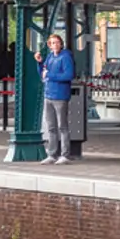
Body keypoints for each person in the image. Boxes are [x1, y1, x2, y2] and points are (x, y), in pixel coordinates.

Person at [36, 33, 75, 165]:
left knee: (62, 126)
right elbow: (43, 73)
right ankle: (52, 154)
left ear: (61, 44)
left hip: (60, 95)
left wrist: (51, 75)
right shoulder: (50, 57)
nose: (55, 45)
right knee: (51, 126)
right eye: (52, 43)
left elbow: (69, 75)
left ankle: (65, 154)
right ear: (49, 45)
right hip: (49, 94)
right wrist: (40, 63)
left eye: (57, 42)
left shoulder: (66, 57)